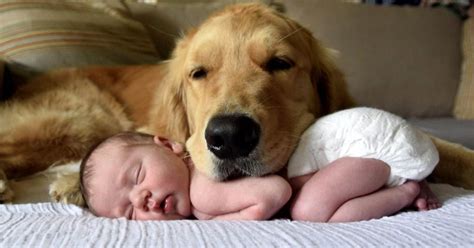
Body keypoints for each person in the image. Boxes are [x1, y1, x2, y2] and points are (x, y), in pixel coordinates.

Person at [79, 132, 292, 221]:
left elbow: (276, 192)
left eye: (137, 176)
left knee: (309, 209)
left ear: (168, 145)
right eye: (129, 214)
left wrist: (212, 221)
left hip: (318, 154)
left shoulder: (202, 194)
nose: (139, 200)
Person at [287, 107, 441, 222]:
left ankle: (407, 191)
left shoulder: (287, 173)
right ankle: (409, 179)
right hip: (393, 139)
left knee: (307, 211)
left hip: (383, 149)